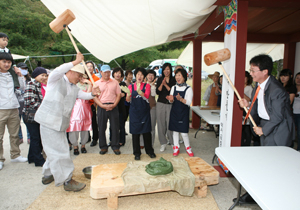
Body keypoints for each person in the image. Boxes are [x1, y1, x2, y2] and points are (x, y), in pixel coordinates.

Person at [34, 53, 100, 192]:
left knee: (53, 150)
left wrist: (93, 94)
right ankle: (67, 180)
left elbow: (85, 96)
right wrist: (75, 61)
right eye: (79, 76)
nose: (81, 79)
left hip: (59, 124)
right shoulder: (55, 79)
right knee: (61, 151)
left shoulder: (74, 87)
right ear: (71, 71)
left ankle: (48, 174)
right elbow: (58, 70)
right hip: (48, 121)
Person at [238, 54, 295, 147]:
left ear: (265, 71)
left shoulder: (276, 90)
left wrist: (263, 130)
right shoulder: (258, 85)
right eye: (250, 70)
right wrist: (248, 104)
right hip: (264, 123)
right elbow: (262, 105)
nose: (251, 74)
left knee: (274, 158)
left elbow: (278, 116)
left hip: (278, 128)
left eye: (253, 71)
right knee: (265, 155)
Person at [0, 52, 28, 170]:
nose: (7, 64)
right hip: (1, 108)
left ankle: (15, 155)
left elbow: (23, 88)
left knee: (15, 134)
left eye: (9, 62)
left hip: (13, 107)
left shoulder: (13, 74)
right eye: (4, 62)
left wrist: (20, 75)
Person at [126, 67, 156, 160]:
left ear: (144, 77)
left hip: (144, 112)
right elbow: (128, 100)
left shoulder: (147, 86)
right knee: (135, 134)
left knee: (147, 132)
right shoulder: (131, 86)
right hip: (134, 112)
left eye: (142, 74)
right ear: (135, 75)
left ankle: (149, 151)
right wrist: (128, 94)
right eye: (138, 74)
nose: (140, 76)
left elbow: (146, 97)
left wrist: (140, 92)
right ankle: (137, 153)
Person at [93, 65, 121, 155]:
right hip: (102, 107)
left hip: (113, 106)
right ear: (101, 72)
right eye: (105, 72)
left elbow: (118, 95)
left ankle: (115, 146)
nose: (107, 74)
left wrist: (114, 104)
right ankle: (103, 147)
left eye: (108, 72)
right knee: (101, 127)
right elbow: (95, 97)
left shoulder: (115, 82)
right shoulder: (96, 83)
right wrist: (101, 105)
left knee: (115, 127)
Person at [23, 67, 48, 167]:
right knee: (36, 138)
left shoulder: (42, 85)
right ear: (35, 75)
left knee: (36, 137)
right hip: (31, 116)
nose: (44, 77)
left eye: (45, 75)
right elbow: (30, 100)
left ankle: (31, 157)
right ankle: (39, 160)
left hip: (38, 115)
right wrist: (44, 108)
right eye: (42, 75)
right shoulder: (31, 84)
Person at [166, 68, 194, 157]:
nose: (177, 77)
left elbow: (189, 103)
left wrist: (181, 99)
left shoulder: (189, 89)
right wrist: (171, 100)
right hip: (174, 112)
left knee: (184, 133)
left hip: (183, 113)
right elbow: (171, 101)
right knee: (175, 132)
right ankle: (176, 148)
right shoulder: (173, 87)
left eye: (179, 75)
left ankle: (188, 148)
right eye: (176, 75)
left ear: (184, 77)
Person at [66, 77, 92, 155]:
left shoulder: (88, 86)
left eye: (83, 76)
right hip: (74, 109)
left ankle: (83, 145)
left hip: (85, 108)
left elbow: (88, 96)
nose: (82, 78)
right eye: (80, 76)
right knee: (73, 128)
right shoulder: (73, 85)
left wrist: (90, 84)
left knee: (85, 127)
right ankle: (75, 146)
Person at [156, 63, 176, 152]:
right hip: (160, 103)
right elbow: (158, 92)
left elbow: (172, 91)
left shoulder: (173, 79)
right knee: (161, 124)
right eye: (164, 69)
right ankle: (163, 143)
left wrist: (165, 85)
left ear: (170, 70)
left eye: (168, 69)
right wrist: (161, 84)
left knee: (170, 124)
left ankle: (172, 142)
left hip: (170, 104)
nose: (166, 71)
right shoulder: (160, 79)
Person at [140, 69, 157, 147]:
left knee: (152, 126)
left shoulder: (155, 86)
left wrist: (152, 85)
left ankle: (151, 143)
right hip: (143, 108)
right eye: (149, 75)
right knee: (142, 125)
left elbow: (153, 95)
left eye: (152, 75)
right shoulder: (142, 85)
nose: (150, 76)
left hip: (152, 107)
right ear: (146, 76)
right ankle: (142, 143)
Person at [85, 61, 100, 147]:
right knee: (84, 121)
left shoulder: (96, 79)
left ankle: (95, 138)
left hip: (92, 103)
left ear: (94, 68)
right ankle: (87, 137)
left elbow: (98, 92)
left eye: (91, 66)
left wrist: (95, 102)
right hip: (84, 103)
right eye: (88, 66)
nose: (89, 68)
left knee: (94, 121)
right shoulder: (82, 78)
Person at [16, 62, 31, 144]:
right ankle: (19, 137)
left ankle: (29, 137)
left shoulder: (29, 79)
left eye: (25, 69)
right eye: (22, 69)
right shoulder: (15, 79)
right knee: (17, 122)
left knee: (28, 122)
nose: (24, 70)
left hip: (26, 104)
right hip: (17, 103)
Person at [112, 67, 126, 146]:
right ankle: (112, 140)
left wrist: (118, 95)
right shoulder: (111, 83)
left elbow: (124, 94)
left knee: (121, 124)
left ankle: (122, 140)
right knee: (112, 125)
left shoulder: (123, 84)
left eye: (119, 73)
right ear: (113, 74)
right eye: (116, 72)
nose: (118, 74)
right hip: (112, 107)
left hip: (120, 107)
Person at [241, 71, 253, 146]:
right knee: (241, 129)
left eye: (245, 77)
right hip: (241, 110)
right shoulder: (240, 86)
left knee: (247, 129)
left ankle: (247, 144)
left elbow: (250, 99)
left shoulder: (249, 88)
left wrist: (241, 93)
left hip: (247, 110)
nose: (244, 79)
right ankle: (241, 143)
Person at [293, 72, 300, 151]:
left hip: (299, 113)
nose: (298, 80)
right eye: (297, 77)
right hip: (293, 112)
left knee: (299, 132)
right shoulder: (292, 88)